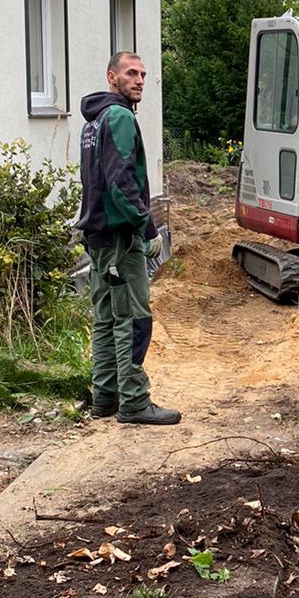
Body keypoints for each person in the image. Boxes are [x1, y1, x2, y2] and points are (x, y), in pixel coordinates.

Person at [76, 52, 181, 425]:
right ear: (112, 77)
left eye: (143, 75)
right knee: (134, 319)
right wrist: (147, 227)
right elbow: (121, 182)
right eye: (131, 73)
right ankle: (134, 401)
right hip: (120, 238)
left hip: (98, 238)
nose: (139, 80)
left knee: (106, 318)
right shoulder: (119, 117)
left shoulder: (94, 122)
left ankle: (104, 398)